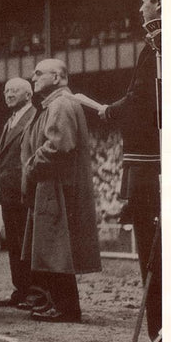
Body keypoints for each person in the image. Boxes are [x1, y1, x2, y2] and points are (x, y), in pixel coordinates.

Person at [94, 0, 160, 342]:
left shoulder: (155, 45)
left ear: (160, 4)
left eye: (144, 1)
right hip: (150, 161)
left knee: (153, 256)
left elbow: (141, 101)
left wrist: (109, 112)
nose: (140, 9)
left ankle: (161, 339)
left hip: (150, 165)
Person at [20, 59, 101, 323]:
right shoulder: (56, 104)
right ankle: (60, 303)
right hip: (53, 184)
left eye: (39, 73)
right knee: (54, 248)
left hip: (56, 185)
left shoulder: (61, 104)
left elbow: (58, 147)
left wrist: (31, 165)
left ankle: (65, 307)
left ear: (57, 77)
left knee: (56, 249)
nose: (33, 77)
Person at [0, 77, 37, 308]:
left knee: (25, 243)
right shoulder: (10, 122)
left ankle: (32, 291)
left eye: (14, 90)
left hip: (23, 192)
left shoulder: (33, 118)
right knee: (14, 243)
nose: (8, 94)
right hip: (8, 194)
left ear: (28, 95)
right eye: (6, 90)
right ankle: (20, 289)